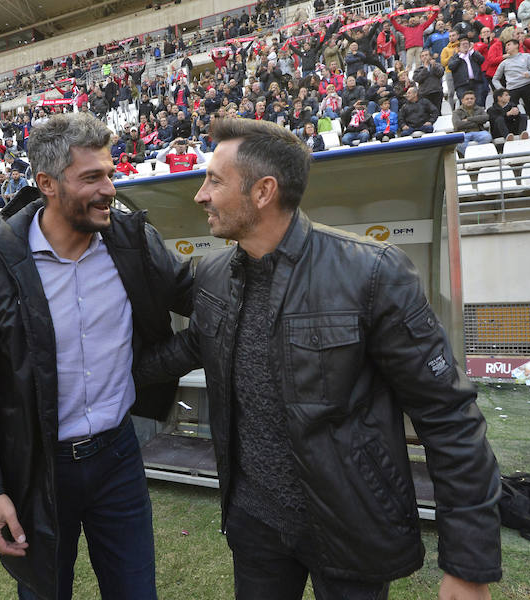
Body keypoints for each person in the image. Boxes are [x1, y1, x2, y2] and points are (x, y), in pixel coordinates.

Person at [135, 117, 503, 600]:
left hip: (350, 525)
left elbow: (448, 415)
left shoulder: (371, 273)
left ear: (263, 191)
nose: (201, 195)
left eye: (214, 181)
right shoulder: (214, 275)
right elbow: (186, 348)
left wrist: (468, 563)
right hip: (254, 525)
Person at [0, 112, 193, 600]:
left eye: (110, 173)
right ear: (46, 183)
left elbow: (193, 291)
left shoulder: (132, 241)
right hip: (37, 468)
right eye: (92, 177)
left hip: (119, 457)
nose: (109, 188)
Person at [492, 39, 530, 117]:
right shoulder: (504, 63)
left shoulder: (526, 56)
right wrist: (502, 90)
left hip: (527, 86)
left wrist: (529, 74)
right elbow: (495, 79)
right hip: (512, 90)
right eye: (506, 46)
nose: (506, 47)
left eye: (509, 44)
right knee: (513, 113)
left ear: (516, 45)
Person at [448, 37, 487, 106]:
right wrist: (460, 58)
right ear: (459, 48)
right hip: (462, 84)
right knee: (464, 105)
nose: (465, 45)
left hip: (476, 82)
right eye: (463, 44)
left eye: (467, 44)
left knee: (479, 102)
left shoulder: (473, 54)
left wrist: (472, 51)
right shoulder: (455, 57)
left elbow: (482, 60)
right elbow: (451, 66)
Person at [453, 89, 492, 154]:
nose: (469, 100)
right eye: (467, 99)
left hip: (478, 132)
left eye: (471, 98)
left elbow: (486, 117)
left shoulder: (480, 109)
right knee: (459, 143)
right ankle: (470, 155)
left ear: (474, 99)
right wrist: (477, 122)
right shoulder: (456, 112)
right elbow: (458, 125)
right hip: (464, 134)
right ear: (462, 101)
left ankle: (477, 153)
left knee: (487, 136)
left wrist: (468, 119)